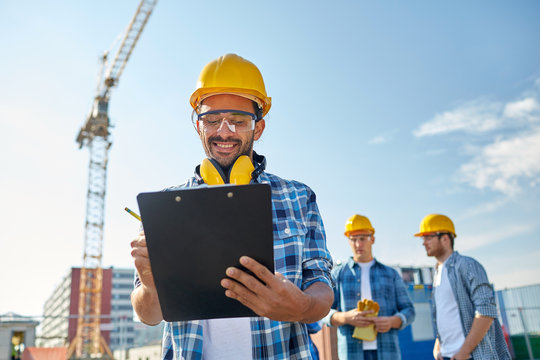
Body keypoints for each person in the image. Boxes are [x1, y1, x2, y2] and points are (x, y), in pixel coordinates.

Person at [130, 53, 334, 360]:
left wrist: (302, 307)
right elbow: (149, 315)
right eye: (212, 120)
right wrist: (149, 283)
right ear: (198, 126)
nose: (224, 132)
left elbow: (321, 285)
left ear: (259, 128)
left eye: (238, 121)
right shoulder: (163, 208)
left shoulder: (299, 197)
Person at [414, 214, 511, 360]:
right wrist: (438, 347)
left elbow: (486, 311)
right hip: (448, 355)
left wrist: (464, 351)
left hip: (471, 356)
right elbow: (446, 315)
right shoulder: (437, 273)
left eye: (428, 237)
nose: (424, 243)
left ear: (445, 238)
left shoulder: (468, 265)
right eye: (423, 238)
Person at [322, 214, 415, 360]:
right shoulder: (337, 275)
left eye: (362, 239)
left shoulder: (391, 274)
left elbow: (409, 310)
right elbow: (323, 312)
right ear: (348, 241)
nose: (358, 244)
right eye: (353, 239)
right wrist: (346, 317)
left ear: (372, 239)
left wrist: (392, 321)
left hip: (387, 351)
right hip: (352, 352)